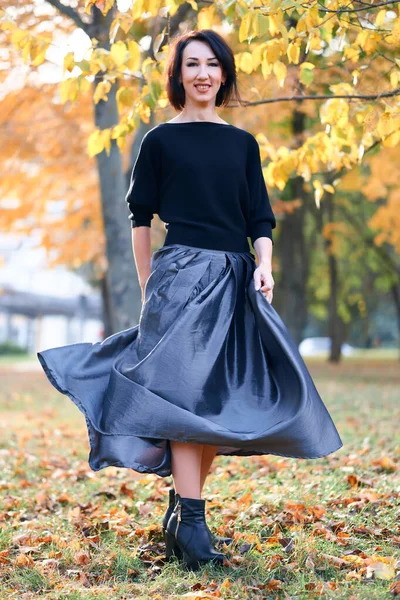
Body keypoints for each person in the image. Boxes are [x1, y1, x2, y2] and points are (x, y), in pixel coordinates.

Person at [37, 29, 343, 572]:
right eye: (191, 65)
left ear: (224, 74)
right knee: (184, 398)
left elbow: (259, 219)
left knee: (216, 398)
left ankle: (183, 513)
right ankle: (194, 527)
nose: (202, 74)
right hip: (180, 276)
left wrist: (265, 266)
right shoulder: (159, 140)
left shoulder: (243, 144)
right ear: (178, 76)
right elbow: (140, 219)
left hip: (235, 277)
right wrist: (150, 279)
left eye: (212, 65)